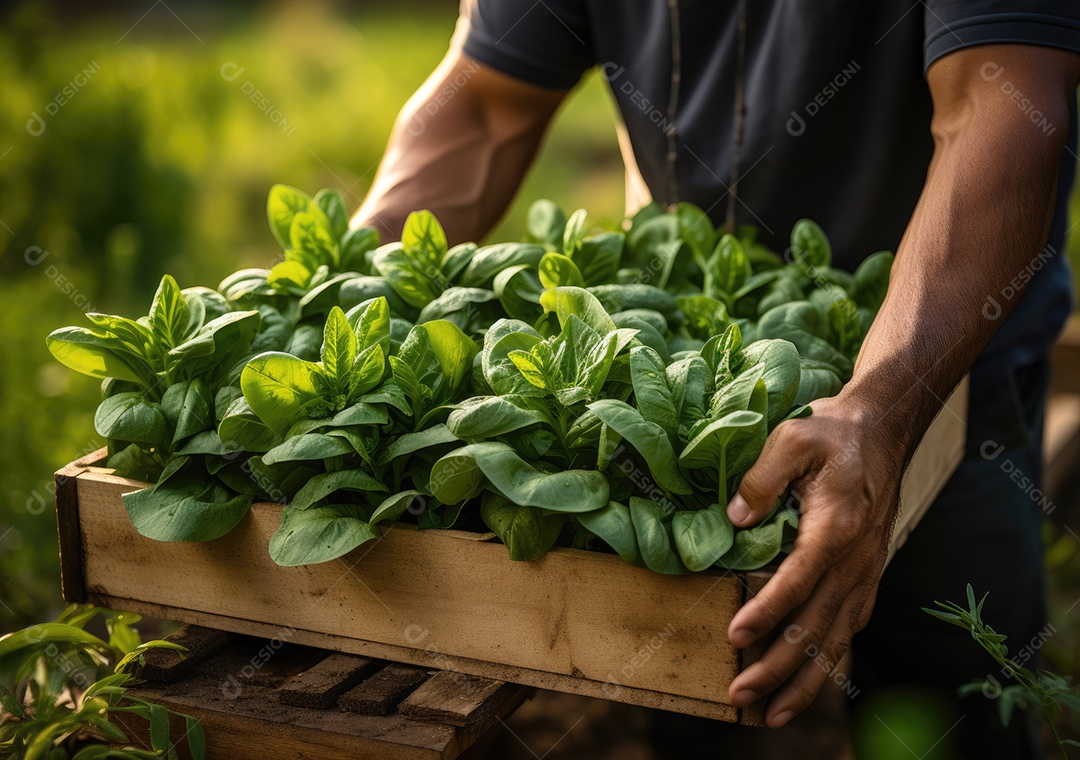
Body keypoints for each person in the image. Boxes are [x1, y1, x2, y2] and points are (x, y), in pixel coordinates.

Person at [351, 2, 1080, 756]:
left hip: (948, 350)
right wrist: (337, 289)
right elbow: (484, 105)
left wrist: (881, 408)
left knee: (951, 690)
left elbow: (1001, 104)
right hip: (698, 358)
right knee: (700, 694)